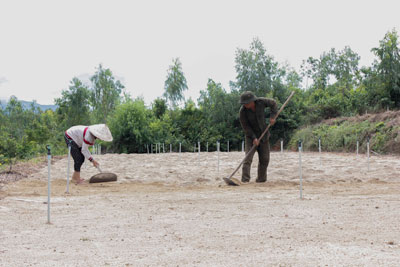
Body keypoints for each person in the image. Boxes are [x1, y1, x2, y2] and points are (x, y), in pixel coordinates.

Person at [239, 91, 277, 183]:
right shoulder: (242, 112)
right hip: (250, 137)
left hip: (263, 134)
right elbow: (246, 127)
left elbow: (274, 104)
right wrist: (253, 138)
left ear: (252, 101)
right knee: (248, 158)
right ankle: (245, 180)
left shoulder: (261, 102)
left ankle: (261, 179)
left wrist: (272, 117)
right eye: (243, 104)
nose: (245, 105)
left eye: (246, 103)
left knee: (265, 159)